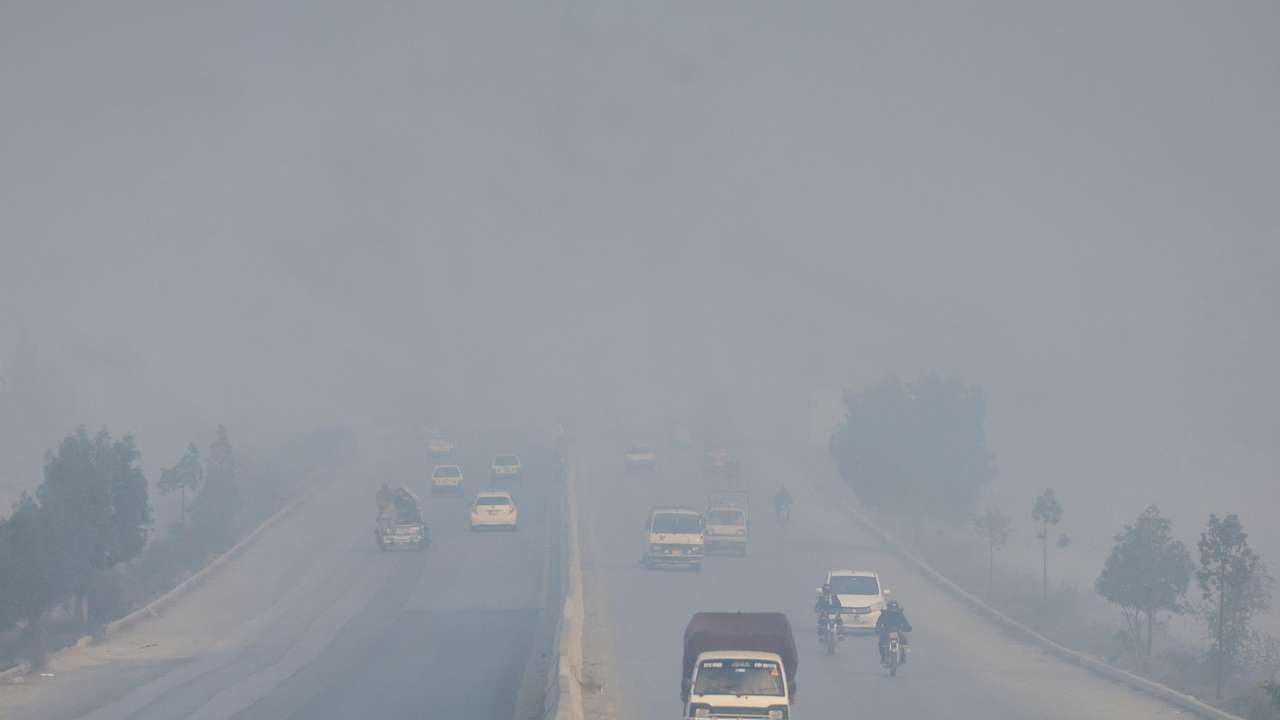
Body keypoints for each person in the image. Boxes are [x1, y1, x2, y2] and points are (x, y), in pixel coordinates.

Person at [876, 599, 912, 664]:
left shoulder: (900, 614)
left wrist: (907, 628)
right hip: (886, 632)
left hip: (897, 632)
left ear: (897, 608)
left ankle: (903, 655)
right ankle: (883, 656)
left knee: (904, 641)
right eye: (891, 608)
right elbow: (878, 623)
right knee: (881, 642)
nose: (893, 609)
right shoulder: (884, 614)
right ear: (888, 607)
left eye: (894, 608)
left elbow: (906, 623)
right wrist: (878, 629)